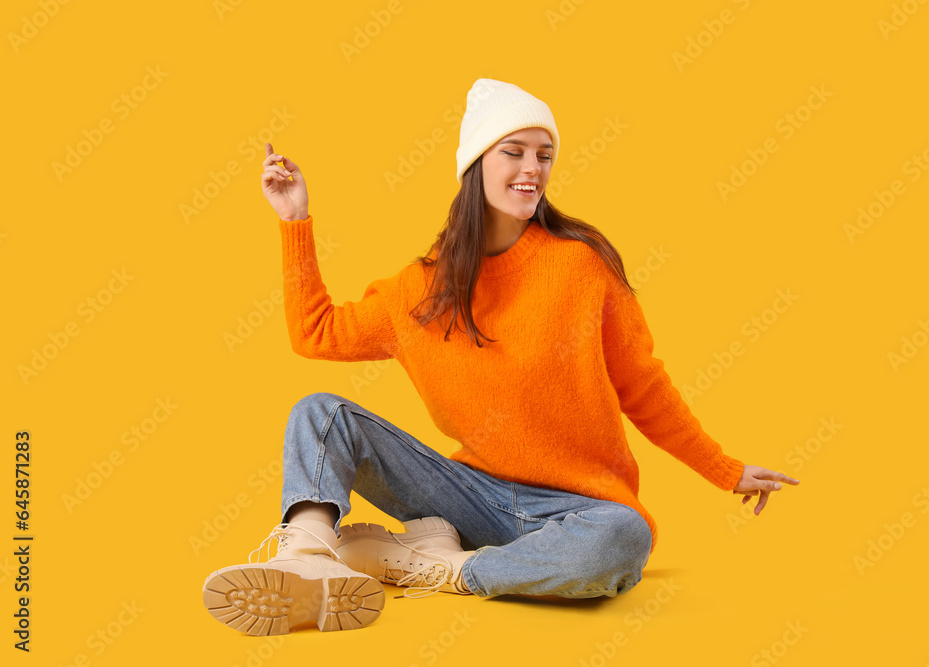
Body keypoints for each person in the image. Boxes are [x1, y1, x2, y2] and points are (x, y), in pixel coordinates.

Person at [201, 78, 800, 637]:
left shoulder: (581, 264)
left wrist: (723, 468)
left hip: (583, 507)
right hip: (470, 496)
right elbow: (316, 333)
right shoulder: (419, 291)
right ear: (475, 164)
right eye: (513, 151)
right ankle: (307, 557)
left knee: (626, 538)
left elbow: (642, 384)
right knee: (321, 414)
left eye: (544, 155)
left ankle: (436, 567)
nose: (532, 169)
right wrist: (294, 221)